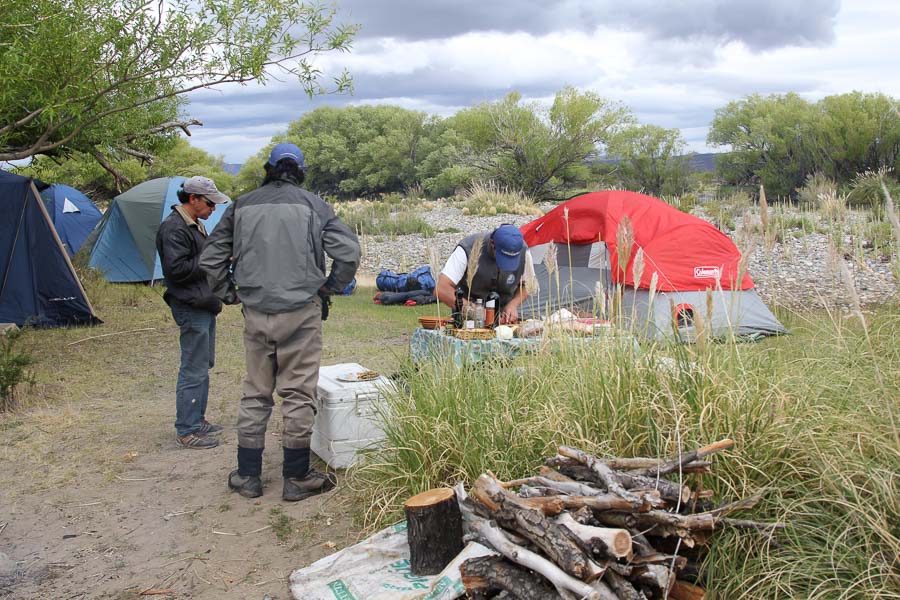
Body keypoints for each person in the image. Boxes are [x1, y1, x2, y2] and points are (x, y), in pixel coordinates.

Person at [200, 142, 360, 501]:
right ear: (300, 170)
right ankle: (296, 477)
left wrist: (229, 293)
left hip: (256, 312)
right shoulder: (314, 206)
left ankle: (248, 475)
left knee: (256, 391)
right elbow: (348, 253)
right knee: (298, 393)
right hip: (301, 312)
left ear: (268, 168)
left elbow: (210, 260)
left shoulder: (241, 205)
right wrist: (328, 287)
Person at [155, 176, 231, 449]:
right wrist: (214, 255)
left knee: (203, 364)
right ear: (193, 199)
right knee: (193, 368)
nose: (213, 209)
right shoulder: (174, 229)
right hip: (191, 305)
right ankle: (187, 430)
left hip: (203, 303)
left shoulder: (194, 225)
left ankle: (197, 420)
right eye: (210, 203)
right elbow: (177, 270)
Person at [435, 224, 535, 325]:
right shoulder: (468, 248)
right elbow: (441, 288)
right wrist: (474, 311)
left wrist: (513, 304)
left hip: (504, 322)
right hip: (467, 321)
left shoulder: (523, 251)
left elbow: (527, 285)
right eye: (503, 258)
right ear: (492, 243)